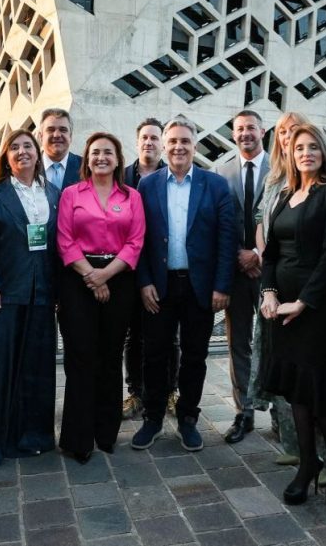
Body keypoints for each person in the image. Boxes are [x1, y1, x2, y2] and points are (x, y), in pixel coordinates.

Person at [259, 124, 326, 508]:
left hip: (315, 308)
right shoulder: (283, 194)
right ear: (290, 154)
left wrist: (304, 302)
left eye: (314, 147)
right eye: (300, 148)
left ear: (324, 153)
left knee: (318, 385)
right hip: (281, 306)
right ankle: (307, 464)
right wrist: (268, 291)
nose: (307, 153)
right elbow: (270, 254)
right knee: (296, 387)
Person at [131, 117, 236, 452]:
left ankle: (188, 418)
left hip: (199, 287)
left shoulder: (215, 185)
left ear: (195, 145)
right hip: (159, 286)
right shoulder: (147, 187)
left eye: (185, 141)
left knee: (195, 355)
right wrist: (144, 281)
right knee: (155, 353)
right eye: (172, 141)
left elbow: (226, 239)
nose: (178, 147)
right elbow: (140, 239)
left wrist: (222, 285)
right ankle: (153, 418)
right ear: (164, 144)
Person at [0, 129, 59, 469]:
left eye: (28, 147)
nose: (22, 152)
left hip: (42, 293)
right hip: (4, 292)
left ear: (38, 154)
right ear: (5, 157)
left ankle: (33, 437)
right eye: (14, 148)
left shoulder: (54, 193)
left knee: (36, 367)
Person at [57, 132, 145, 463]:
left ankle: (106, 433)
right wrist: (92, 278)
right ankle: (77, 439)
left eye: (108, 152)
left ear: (118, 159)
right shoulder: (71, 194)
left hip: (119, 279)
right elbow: (65, 240)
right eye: (95, 153)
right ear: (87, 159)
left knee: (110, 357)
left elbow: (135, 242)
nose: (101, 158)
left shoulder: (132, 196)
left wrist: (106, 276)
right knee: (81, 357)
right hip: (78, 278)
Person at [249, 112, 309, 465]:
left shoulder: (318, 177)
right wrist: (264, 254)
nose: (287, 137)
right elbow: (260, 221)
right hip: (273, 281)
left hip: (303, 283)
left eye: (293, 130)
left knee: (307, 369)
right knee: (280, 363)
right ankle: (293, 444)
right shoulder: (274, 179)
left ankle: (316, 451)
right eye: (282, 132)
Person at [217, 110, 268, 443]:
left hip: (271, 271)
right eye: (240, 129)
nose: (246, 133)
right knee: (238, 343)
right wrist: (239, 254)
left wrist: (259, 255)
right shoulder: (221, 173)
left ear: (262, 131)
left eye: (251, 127)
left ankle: (282, 414)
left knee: (275, 342)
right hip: (236, 270)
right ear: (233, 135)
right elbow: (219, 222)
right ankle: (244, 413)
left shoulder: (282, 168)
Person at [122, 118, 176, 420]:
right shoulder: (123, 177)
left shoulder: (171, 176)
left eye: (155, 138)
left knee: (170, 336)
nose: (150, 143)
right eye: (145, 137)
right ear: (137, 140)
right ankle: (135, 393)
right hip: (129, 270)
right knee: (135, 335)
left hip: (165, 269)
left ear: (163, 143)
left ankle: (170, 391)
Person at [39, 108, 81, 191]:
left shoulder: (86, 167)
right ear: (41, 136)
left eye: (63, 130)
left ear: (70, 136)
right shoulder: (28, 168)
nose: (57, 135)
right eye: (51, 130)